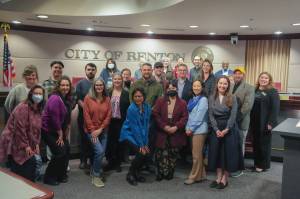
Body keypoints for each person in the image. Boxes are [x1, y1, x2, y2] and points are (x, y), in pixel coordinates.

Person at [0, 85, 45, 182]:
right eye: (36, 93)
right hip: (14, 139)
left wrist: (36, 143)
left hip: (27, 139)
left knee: (35, 161)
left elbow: (37, 129)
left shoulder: (39, 109)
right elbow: (20, 129)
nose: (38, 96)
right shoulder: (23, 107)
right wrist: (26, 146)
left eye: (40, 94)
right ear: (30, 95)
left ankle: (30, 182)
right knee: (29, 161)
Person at [208, 76, 243, 189]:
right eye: (220, 83)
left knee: (227, 154)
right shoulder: (211, 97)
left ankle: (225, 179)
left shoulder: (232, 97)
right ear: (217, 84)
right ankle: (218, 177)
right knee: (217, 154)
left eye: (225, 84)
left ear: (228, 85)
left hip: (229, 129)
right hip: (216, 129)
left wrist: (226, 129)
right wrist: (216, 129)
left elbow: (233, 116)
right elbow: (210, 115)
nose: (222, 86)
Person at [153, 80, 188, 181]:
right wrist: (164, 126)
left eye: (173, 88)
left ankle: (170, 171)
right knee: (160, 154)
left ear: (177, 89)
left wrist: (176, 127)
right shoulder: (160, 100)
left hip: (176, 132)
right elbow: (156, 114)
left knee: (173, 154)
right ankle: (160, 172)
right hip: (162, 131)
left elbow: (184, 117)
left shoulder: (182, 102)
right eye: (169, 88)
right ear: (166, 89)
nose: (171, 90)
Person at [41, 76, 72, 186]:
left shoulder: (67, 99)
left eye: (67, 85)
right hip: (49, 130)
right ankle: (48, 177)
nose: (65, 87)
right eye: (63, 85)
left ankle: (61, 174)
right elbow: (54, 118)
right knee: (59, 152)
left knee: (67, 149)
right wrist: (60, 134)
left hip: (60, 130)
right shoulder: (54, 98)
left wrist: (67, 129)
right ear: (58, 86)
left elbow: (67, 117)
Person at [119, 88, 151, 186]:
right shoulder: (131, 108)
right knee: (141, 152)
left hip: (140, 132)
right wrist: (141, 144)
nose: (138, 98)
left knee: (146, 152)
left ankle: (137, 173)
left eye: (140, 96)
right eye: (136, 96)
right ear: (133, 97)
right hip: (128, 133)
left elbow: (146, 125)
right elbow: (135, 128)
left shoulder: (147, 107)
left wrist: (146, 143)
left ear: (143, 97)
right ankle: (131, 174)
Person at [83, 79, 112, 188]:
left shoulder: (107, 99)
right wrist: (92, 131)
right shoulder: (88, 98)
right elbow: (86, 116)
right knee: (99, 151)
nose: (99, 87)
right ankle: (96, 175)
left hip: (103, 130)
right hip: (91, 130)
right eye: (97, 85)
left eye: (101, 85)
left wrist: (100, 129)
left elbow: (109, 116)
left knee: (101, 152)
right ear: (94, 86)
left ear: (104, 86)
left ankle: (94, 169)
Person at [250, 72, 280, 172]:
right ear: (258, 79)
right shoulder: (255, 90)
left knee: (264, 145)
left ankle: (263, 165)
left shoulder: (272, 91)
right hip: (254, 122)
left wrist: (271, 123)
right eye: (262, 77)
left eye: (266, 78)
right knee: (256, 143)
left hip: (265, 122)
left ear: (269, 80)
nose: (263, 79)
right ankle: (257, 164)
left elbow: (275, 109)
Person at [184, 80, 208, 185]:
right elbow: (189, 116)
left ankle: (193, 177)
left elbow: (199, 117)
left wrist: (191, 129)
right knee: (197, 154)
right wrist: (187, 128)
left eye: (198, 86)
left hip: (199, 130)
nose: (196, 88)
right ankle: (201, 175)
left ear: (202, 88)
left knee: (196, 155)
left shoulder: (203, 100)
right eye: (194, 86)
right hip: (192, 129)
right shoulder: (192, 99)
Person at [105, 73, 130, 172]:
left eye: (119, 79)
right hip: (110, 121)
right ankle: (110, 162)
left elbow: (128, 108)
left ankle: (117, 163)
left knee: (120, 143)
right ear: (113, 80)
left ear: (122, 80)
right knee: (110, 143)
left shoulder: (126, 93)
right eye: (115, 79)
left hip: (121, 121)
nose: (117, 81)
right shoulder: (107, 92)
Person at [76, 63, 97, 169]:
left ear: (95, 71)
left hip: (96, 118)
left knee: (94, 138)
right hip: (83, 117)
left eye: (93, 69)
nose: (91, 71)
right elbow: (78, 99)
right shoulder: (80, 83)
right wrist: (87, 109)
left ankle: (93, 160)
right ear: (85, 70)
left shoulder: (98, 83)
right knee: (83, 138)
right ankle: (83, 160)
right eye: (89, 69)